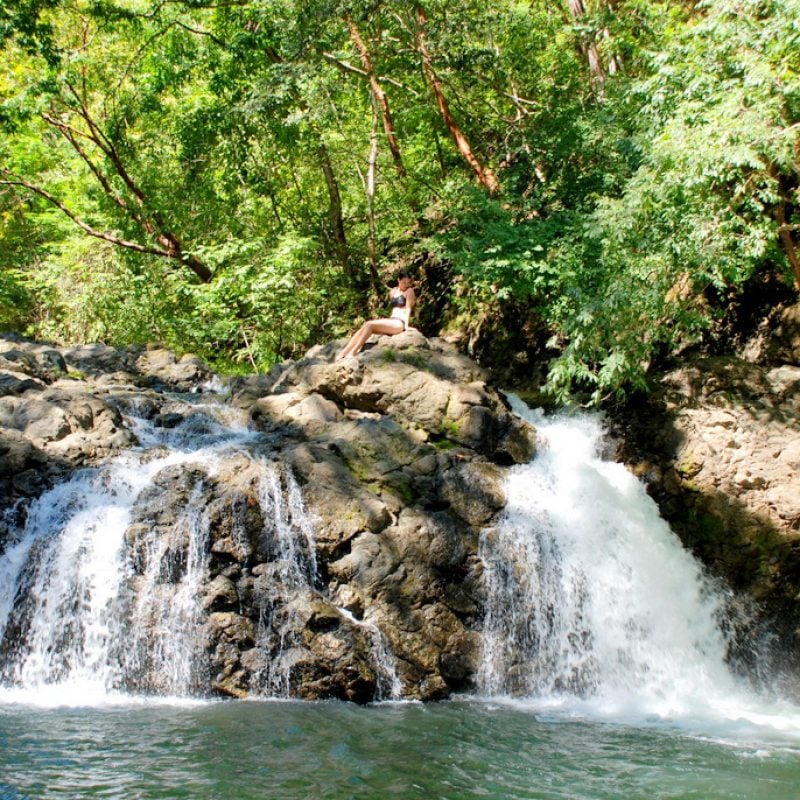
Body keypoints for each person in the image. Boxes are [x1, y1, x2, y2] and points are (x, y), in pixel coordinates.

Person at [336, 270, 416, 360]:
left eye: (408, 282)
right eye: (404, 282)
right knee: (366, 325)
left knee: (369, 324)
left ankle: (353, 352)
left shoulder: (410, 291)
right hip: (391, 320)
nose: (406, 284)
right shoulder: (394, 291)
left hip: (399, 323)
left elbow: (408, 308)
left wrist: (406, 326)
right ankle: (344, 352)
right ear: (398, 280)